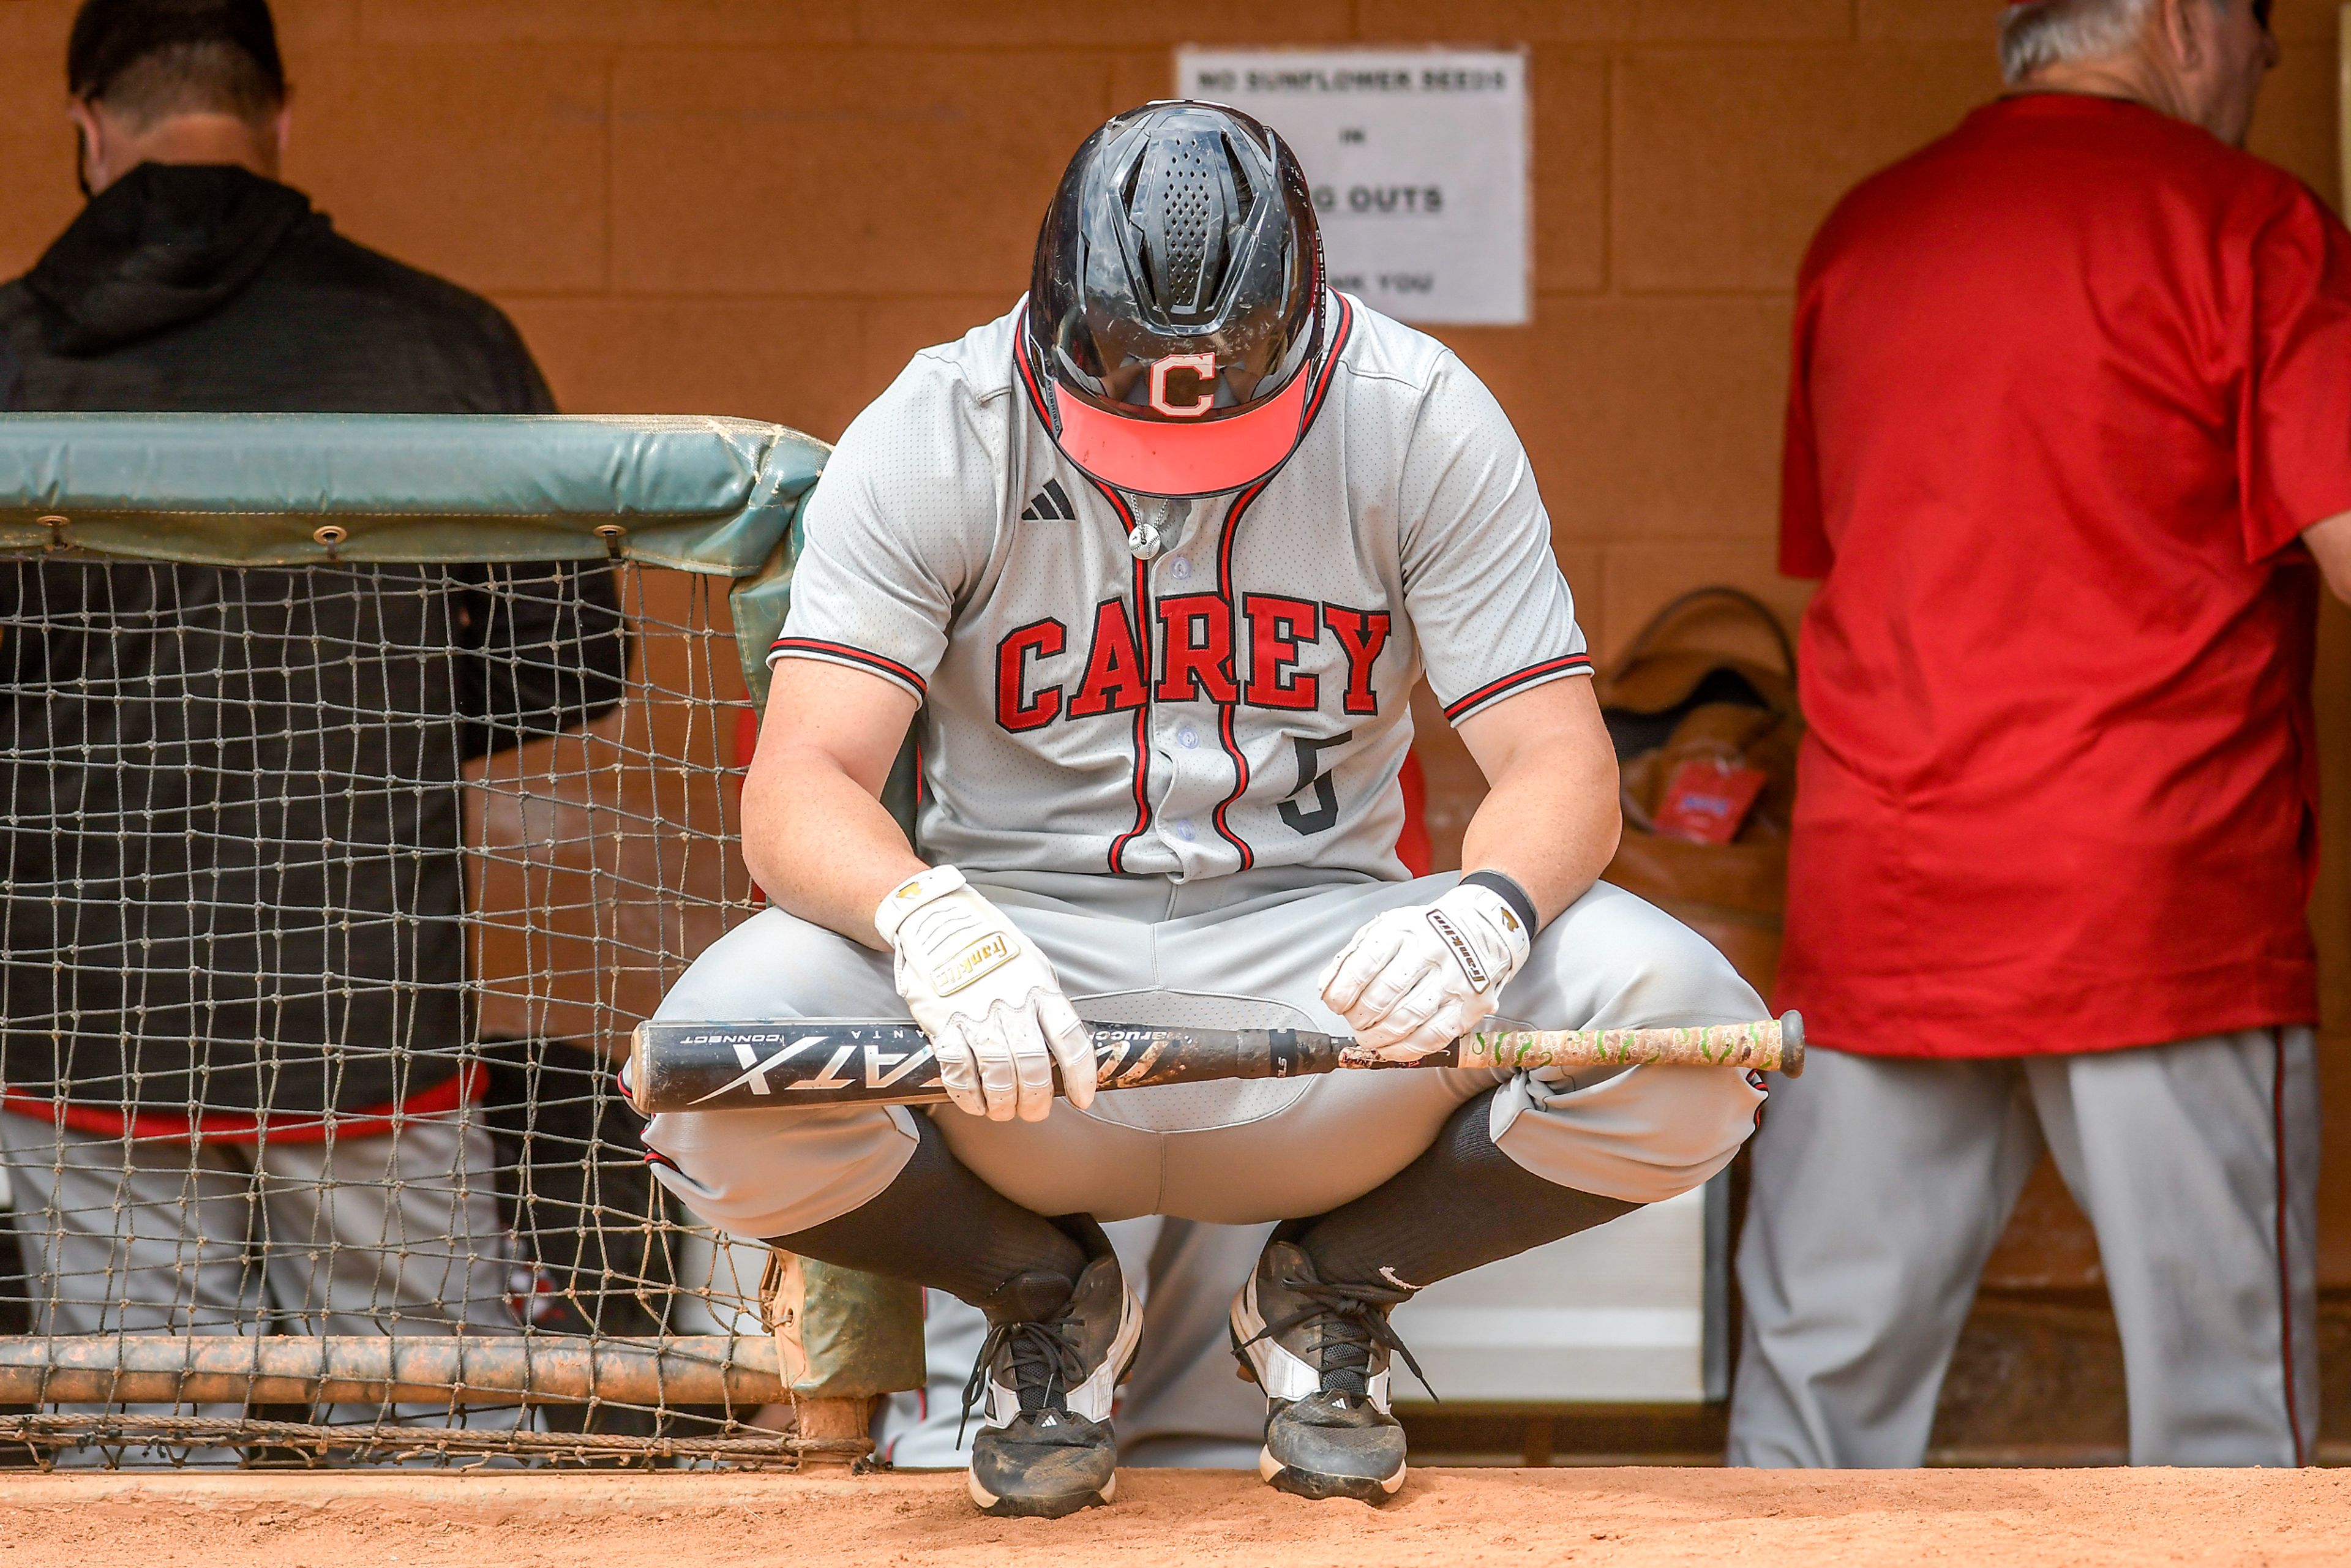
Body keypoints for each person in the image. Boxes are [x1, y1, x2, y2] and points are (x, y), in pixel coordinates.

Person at [640, 100, 1768, 1517]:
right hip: (1019, 979)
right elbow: (799, 785)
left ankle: (1328, 1294)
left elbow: (1560, 762)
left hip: (1330, 976)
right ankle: (1041, 1298)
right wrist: (926, 921)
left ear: (1304, 328)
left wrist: (1486, 914)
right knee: (706, 1075)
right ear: (1052, 323)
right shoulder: (940, 425)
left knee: (1685, 1037)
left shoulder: (1414, 413)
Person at [0, 0, 628, 1456]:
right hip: (367, 1002)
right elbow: (577, 658)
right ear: (279, 118)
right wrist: (385, 721)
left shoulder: (11, 353)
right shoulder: (442, 338)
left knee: (135, 1461)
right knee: (439, 1449)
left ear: (87, 131)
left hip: (76, 1013)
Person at [1730, 0, 2345, 1468]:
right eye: (2263, 30)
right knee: (2223, 1425)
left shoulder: (1866, 234)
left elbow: (1849, 546)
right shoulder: (2253, 223)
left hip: (1891, 880)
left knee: (1815, 1415)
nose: (2267, 61)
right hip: (2152, 896)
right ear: (2190, 20)